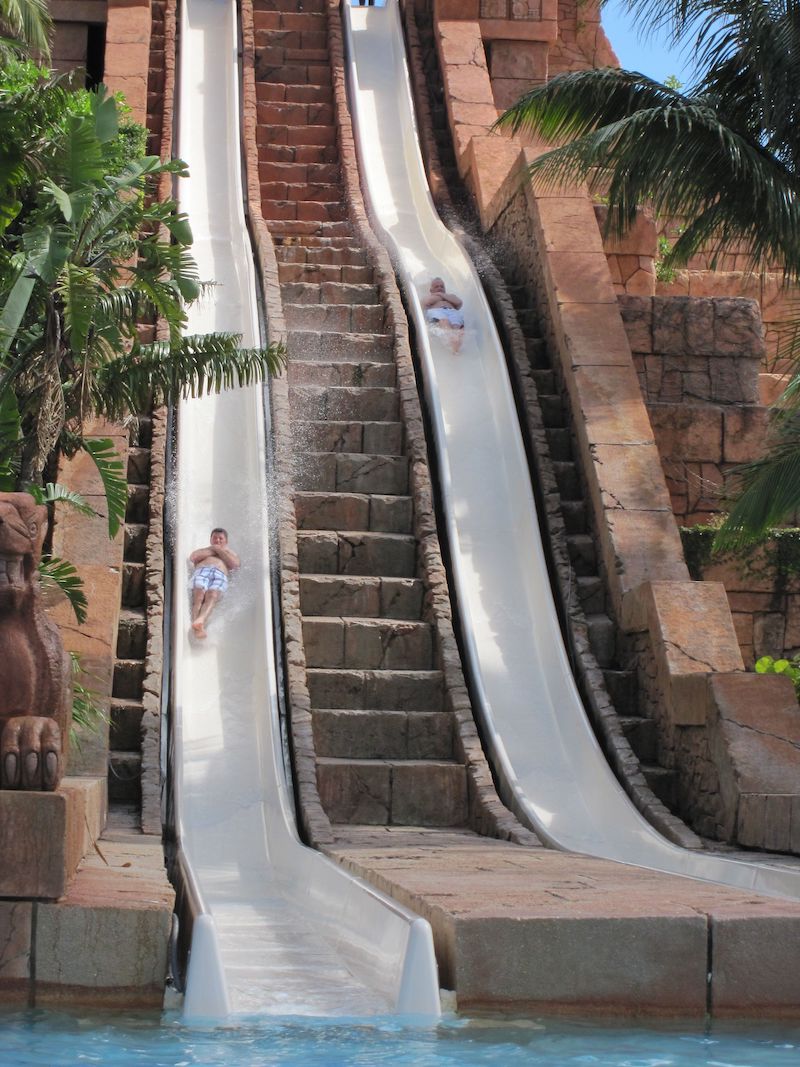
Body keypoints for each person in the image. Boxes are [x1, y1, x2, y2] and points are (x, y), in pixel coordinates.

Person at [189, 528, 240, 639]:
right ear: (211, 540)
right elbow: (193, 557)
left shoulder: (231, 553)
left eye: (220, 538)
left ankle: (200, 620)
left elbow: (235, 565)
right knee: (199, 595)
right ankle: (196, 625)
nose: (217, 540)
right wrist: (214, 549)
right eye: (215, 538)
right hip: (202, 571)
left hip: (219, 574)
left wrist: (219, 550)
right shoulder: (205, 550)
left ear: (226, 541)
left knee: (212, 594)